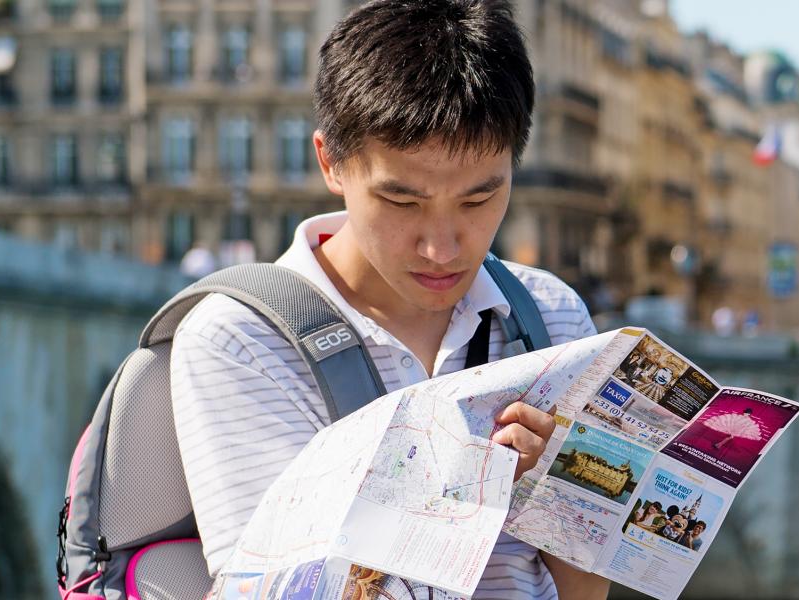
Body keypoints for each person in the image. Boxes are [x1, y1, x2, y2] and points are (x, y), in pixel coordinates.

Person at [166, 1, 607, 598]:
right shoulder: (240, 342)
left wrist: (562, 501)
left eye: (479, 200)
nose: (442, 247)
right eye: (402, 202)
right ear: (330, 162)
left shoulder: (552, 315)